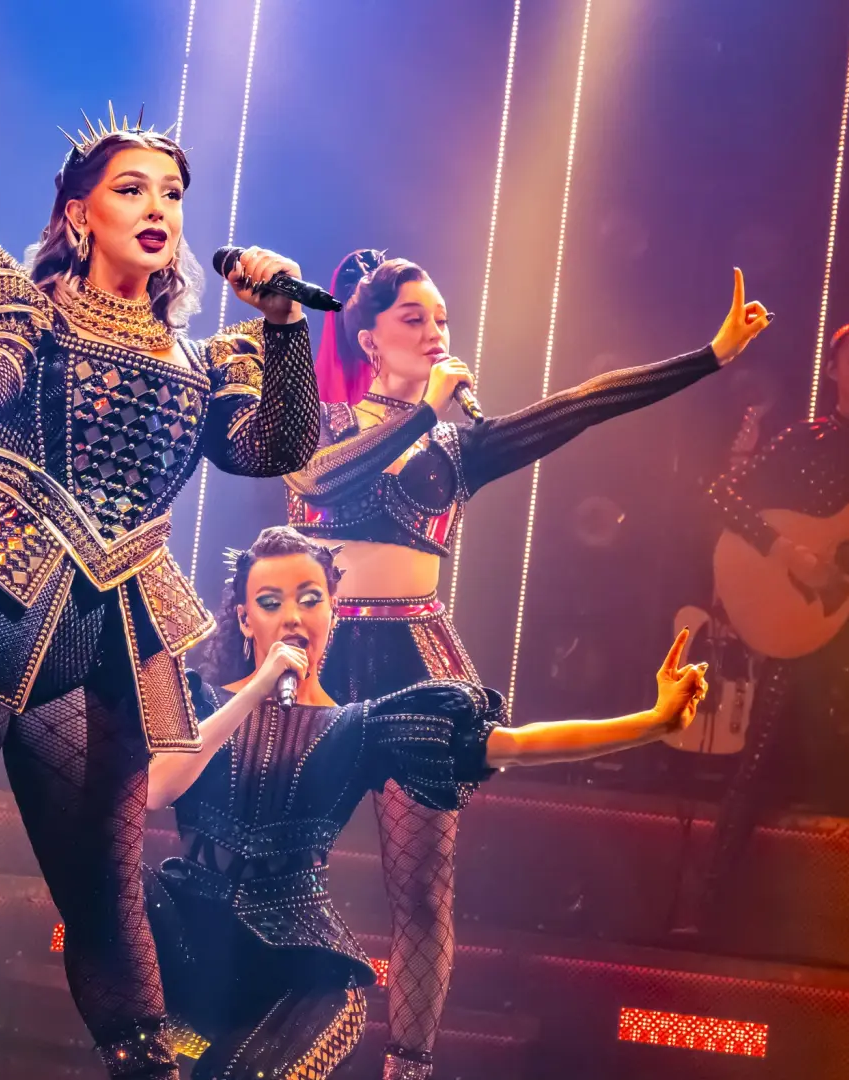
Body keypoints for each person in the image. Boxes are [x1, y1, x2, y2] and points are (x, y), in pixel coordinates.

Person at [0, 80, 324, 1072]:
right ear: (79, 215)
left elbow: (275, 449)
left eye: (172, 193)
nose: (158, 208)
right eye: (132, 189)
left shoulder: (207, 359)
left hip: (115, 624)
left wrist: (287, 323)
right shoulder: (27, 307)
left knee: (107, 896)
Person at [290, 249, 771, 1078]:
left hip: (417, 658)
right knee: (280, 860)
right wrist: (419, 414)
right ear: (368, 339)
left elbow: (583, 404)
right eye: (414, 317)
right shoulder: (322, 424)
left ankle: (408, 1067)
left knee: (423, 885)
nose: (436, 333)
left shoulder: (462, 445)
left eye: (443, 320)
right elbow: (321, 484)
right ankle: (273, 1041)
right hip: (319, 658)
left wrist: (710, 356)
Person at [142, 527, 711, 1080]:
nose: (292, 616)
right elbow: (156, 789)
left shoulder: (362, 728)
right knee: (113, 880)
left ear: (334, 611)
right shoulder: (197, 700)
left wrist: (652, 723)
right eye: (270, 602)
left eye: (310, 599)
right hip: (187, 934)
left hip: (298, 968)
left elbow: (515, 744)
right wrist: (256, 690)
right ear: (245, 618)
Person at [671, 318, 849, 932]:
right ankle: (708, 912)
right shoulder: (803, 440)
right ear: (833, 370)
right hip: (799, 623)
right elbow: (719, 495)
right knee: (757, 764)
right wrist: (786, 551)